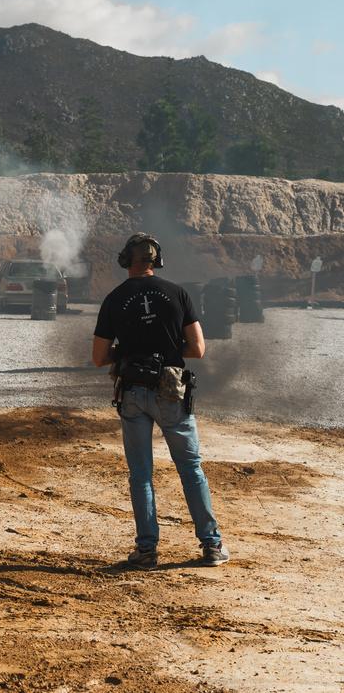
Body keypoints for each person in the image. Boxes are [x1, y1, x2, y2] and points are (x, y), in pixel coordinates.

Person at [92, 233, 228, 568]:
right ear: (157, 260)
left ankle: (147, 551)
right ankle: (211, 546)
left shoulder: (114, 299)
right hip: (170, 389)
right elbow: (197, 349)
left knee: (141, 474)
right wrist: (165, 351)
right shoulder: (178, 293)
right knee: (191, 468)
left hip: (133, 391)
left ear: (127, 260)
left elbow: (99, 357)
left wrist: (129, 353)